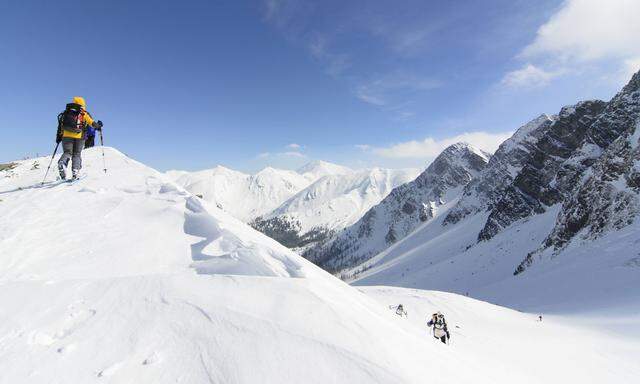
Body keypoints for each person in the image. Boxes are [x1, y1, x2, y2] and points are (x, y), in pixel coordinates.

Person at [56, 97, 103, 180]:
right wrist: (98, 126)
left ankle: (62, 163)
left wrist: (58, 137)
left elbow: (60, 125)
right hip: (79, 136)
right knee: (76, 154)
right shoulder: (83, 113)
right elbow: (91, 122)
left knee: (67, 152)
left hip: (66, 135)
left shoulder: (66, 112)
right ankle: (75, 171)